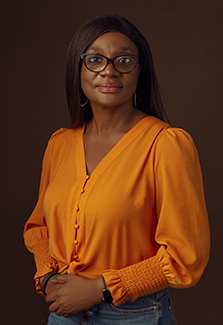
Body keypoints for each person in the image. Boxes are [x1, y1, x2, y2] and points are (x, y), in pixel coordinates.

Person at [23, 15, 210, 325]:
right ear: (78, 69)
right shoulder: (60, 144)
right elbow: (39, 226)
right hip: (63, 313)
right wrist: (47, 277)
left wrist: (102, 288)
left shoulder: (165, 145)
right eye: (95, 59)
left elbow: (184, 256)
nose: (109, 70)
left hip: (133, 315)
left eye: (124, 60)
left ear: (140, 71)